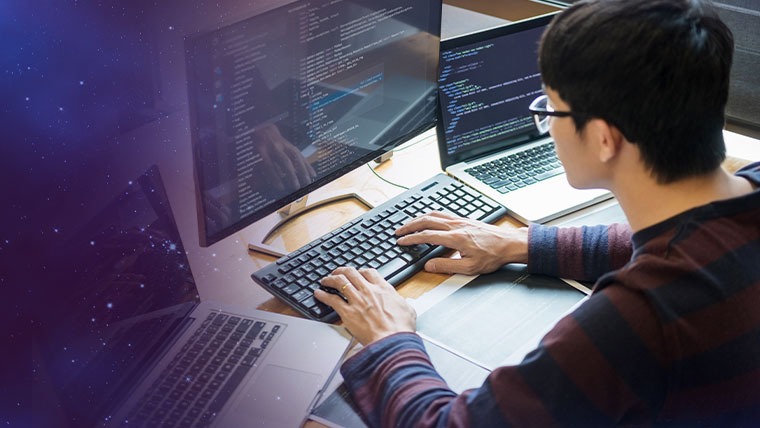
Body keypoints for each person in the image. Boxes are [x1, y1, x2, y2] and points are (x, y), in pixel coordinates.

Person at [313, 0, 760, 425]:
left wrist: (389, 337)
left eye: (549, 108)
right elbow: (691, 242)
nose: (546, 124)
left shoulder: (637, 319)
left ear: (605, 139)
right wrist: (520, 243)